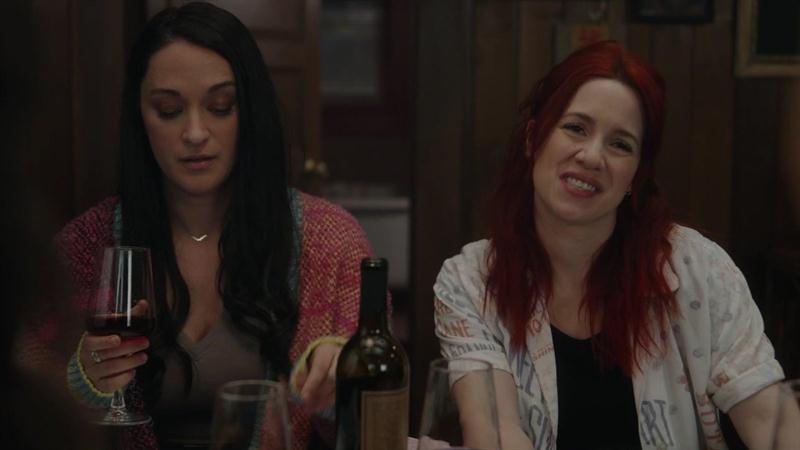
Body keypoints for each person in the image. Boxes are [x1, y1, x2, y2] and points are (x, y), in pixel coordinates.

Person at [433, 40, 800, 450]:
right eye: (576, 128)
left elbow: (771, 421)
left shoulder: (698, 269)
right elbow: (495, 434)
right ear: (533, 138)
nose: (592, 157)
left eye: (620, 144)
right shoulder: (471, 281)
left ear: (636, 176)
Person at [37, 3, 370, 449]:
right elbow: (25, 401)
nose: (195, 133)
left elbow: (371, 422)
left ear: (249, 112)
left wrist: (339, 387)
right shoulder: (83, 246)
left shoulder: (332, 241)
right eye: (169, 110)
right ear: (139, 117)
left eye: (220, 106)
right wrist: (82, 382)